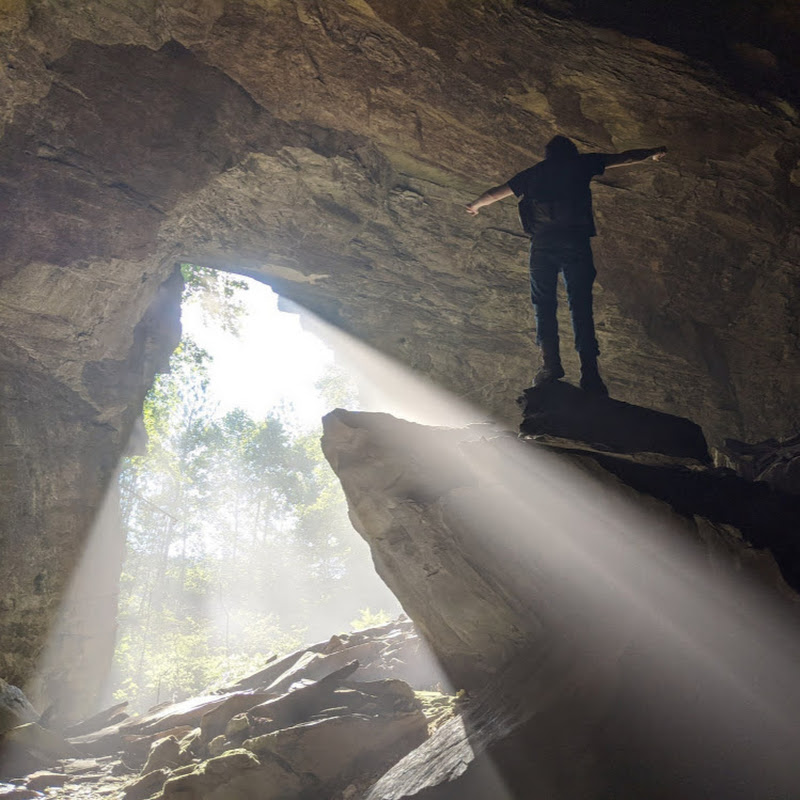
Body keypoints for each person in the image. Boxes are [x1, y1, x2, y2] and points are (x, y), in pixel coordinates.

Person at [466, 136, 667, 395]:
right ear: (572, 152)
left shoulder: (533, 173)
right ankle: (590, 374)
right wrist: (651, 152)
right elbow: (624, 157)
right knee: (580, 305)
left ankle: (550, 366)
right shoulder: (582, 164)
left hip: (543, 245)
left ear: (547, 154)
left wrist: (475, 206)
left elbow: (495, 193)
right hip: (576, 243)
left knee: (544, 304)